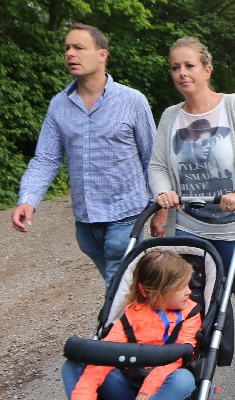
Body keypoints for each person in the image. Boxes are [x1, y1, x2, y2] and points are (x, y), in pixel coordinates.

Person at [149, 37, 235, 377]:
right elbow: (158, 165)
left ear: (207, 70)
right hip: (188, 227)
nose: (182, 73)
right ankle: (198, 361)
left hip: (234, 226)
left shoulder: (233, 107)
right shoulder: (170, 117)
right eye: (175, 67)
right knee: (194, 298)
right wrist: (163, 191)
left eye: (189, 65)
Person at [12, 23, 162, 287]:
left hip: (126, 218)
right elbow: (46, 159)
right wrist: (28, 200)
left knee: (117, 290)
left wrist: (160, 209)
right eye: (67, 48)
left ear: (102, 55)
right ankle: (152, 311)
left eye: (79, 48)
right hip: (86, 225)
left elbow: (153, 157)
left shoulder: (132, 101)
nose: (70, 53)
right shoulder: (59, 105)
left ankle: (124, 314)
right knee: (129, 290)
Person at [53, 250, 202, 400]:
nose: (189, 291)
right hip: (128, 390)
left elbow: (181, 355)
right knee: (74, 364)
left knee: (184, 379)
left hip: (162, 393)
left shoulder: (191, 313)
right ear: (155, 291)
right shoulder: (131, 315)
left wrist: (151, 385)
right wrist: (85, 391)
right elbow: (104, 354)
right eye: (181, 287)